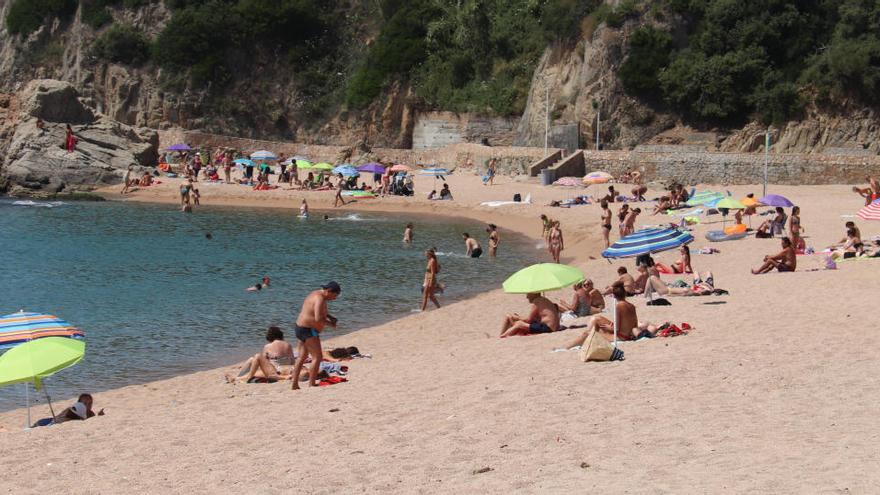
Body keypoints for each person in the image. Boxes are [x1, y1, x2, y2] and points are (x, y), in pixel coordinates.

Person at [566, 282, 658, 346]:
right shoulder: (631, 306)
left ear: (614, 296)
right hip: (628, 333)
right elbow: (634, 324)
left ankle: (566, 348)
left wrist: (610, 327)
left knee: (587, 333)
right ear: (624, 294)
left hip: (621, 337)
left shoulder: (619, 306)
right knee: (597, 318)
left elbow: (616, 329)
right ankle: (593, 337)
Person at [291, 281, 341, 389]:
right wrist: (331, 324)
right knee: (317, 357)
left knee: (301, 357)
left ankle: (294, 384)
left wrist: (330, 316)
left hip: (300, 327)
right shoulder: (320, 298)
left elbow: (316, 310)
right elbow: (318, 318)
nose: (334, 298)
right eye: (334, 295)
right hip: (308, 330)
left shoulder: (315, 294)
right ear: (329, 291)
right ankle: (312, 383)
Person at [229, 327, 296, 383]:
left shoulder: (268, 346)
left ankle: (238, 377)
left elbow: (262, 361)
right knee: (253, 360)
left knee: (253, 359)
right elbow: (293, 361)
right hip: (285, 368)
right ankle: (238, 377)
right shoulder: (288, 345)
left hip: (274, 370)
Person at [33, 393, 104, 427]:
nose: (88, 405)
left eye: (90, 403)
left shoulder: (91, 413)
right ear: (79, 403)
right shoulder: (72, 410)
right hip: (52, 420)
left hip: (57, 421)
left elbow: (92, 421)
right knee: (37, 424)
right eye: (85, 403)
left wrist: (99, 416)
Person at [644, 271, 717, 298]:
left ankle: (645, 295)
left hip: (666, 290)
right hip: (705, 285)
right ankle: (646, 294)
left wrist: (668, 295)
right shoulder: (698, 289)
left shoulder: (690, 291)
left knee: (651, 278)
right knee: (704, 272)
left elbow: (681, 295)